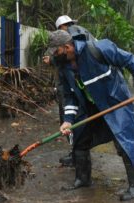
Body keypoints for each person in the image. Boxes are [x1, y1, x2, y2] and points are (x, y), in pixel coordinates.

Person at [47, 30, 134, 201]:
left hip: (115, 102)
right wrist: (67, 121)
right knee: (79, 139)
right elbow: (70, 95)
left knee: (125, 143)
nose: (54, 56)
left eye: (56, 51)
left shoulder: (98, 48)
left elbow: (129, 59)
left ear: (67, 47)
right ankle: (83, 179)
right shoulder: (63, 66)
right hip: (91, 107)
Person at [43, 15, 95, 167]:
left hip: (71, 84)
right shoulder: (83, 34)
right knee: (76, 118)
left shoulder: (69, 39)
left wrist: (51, 60)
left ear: (62, 27)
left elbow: (62, 59)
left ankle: (76, 155)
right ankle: (78, 154)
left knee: (70, 117)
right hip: (81, 85)